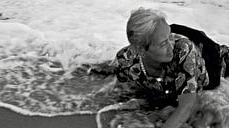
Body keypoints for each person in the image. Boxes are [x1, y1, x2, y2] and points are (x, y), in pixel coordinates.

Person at [86, 8, 229, 127]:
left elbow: (188, 104)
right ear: (141, 50)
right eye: (163, 44)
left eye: (169, 36)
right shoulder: (126, 61)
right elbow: (121, 89)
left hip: (220, 63)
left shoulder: (183, 50)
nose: (171, 46)